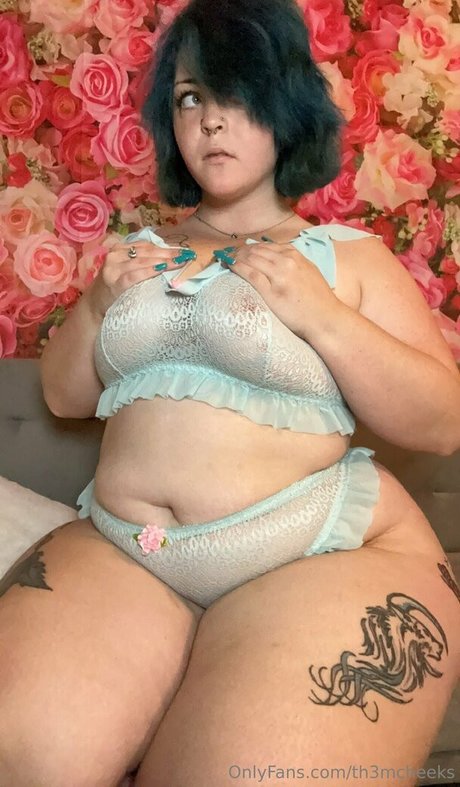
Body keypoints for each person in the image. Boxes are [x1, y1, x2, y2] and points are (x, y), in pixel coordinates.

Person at [1, 0, 460, 784]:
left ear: (286, 106)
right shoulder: (139, 251)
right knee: (23, 756)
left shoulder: (346, 256)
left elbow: (443, 422)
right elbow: (65, 396)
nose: (212, 120)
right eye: (191, 98)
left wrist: (321, 316)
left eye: (238, 95)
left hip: (306, 554)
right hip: (129, 549)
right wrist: (98, 304)